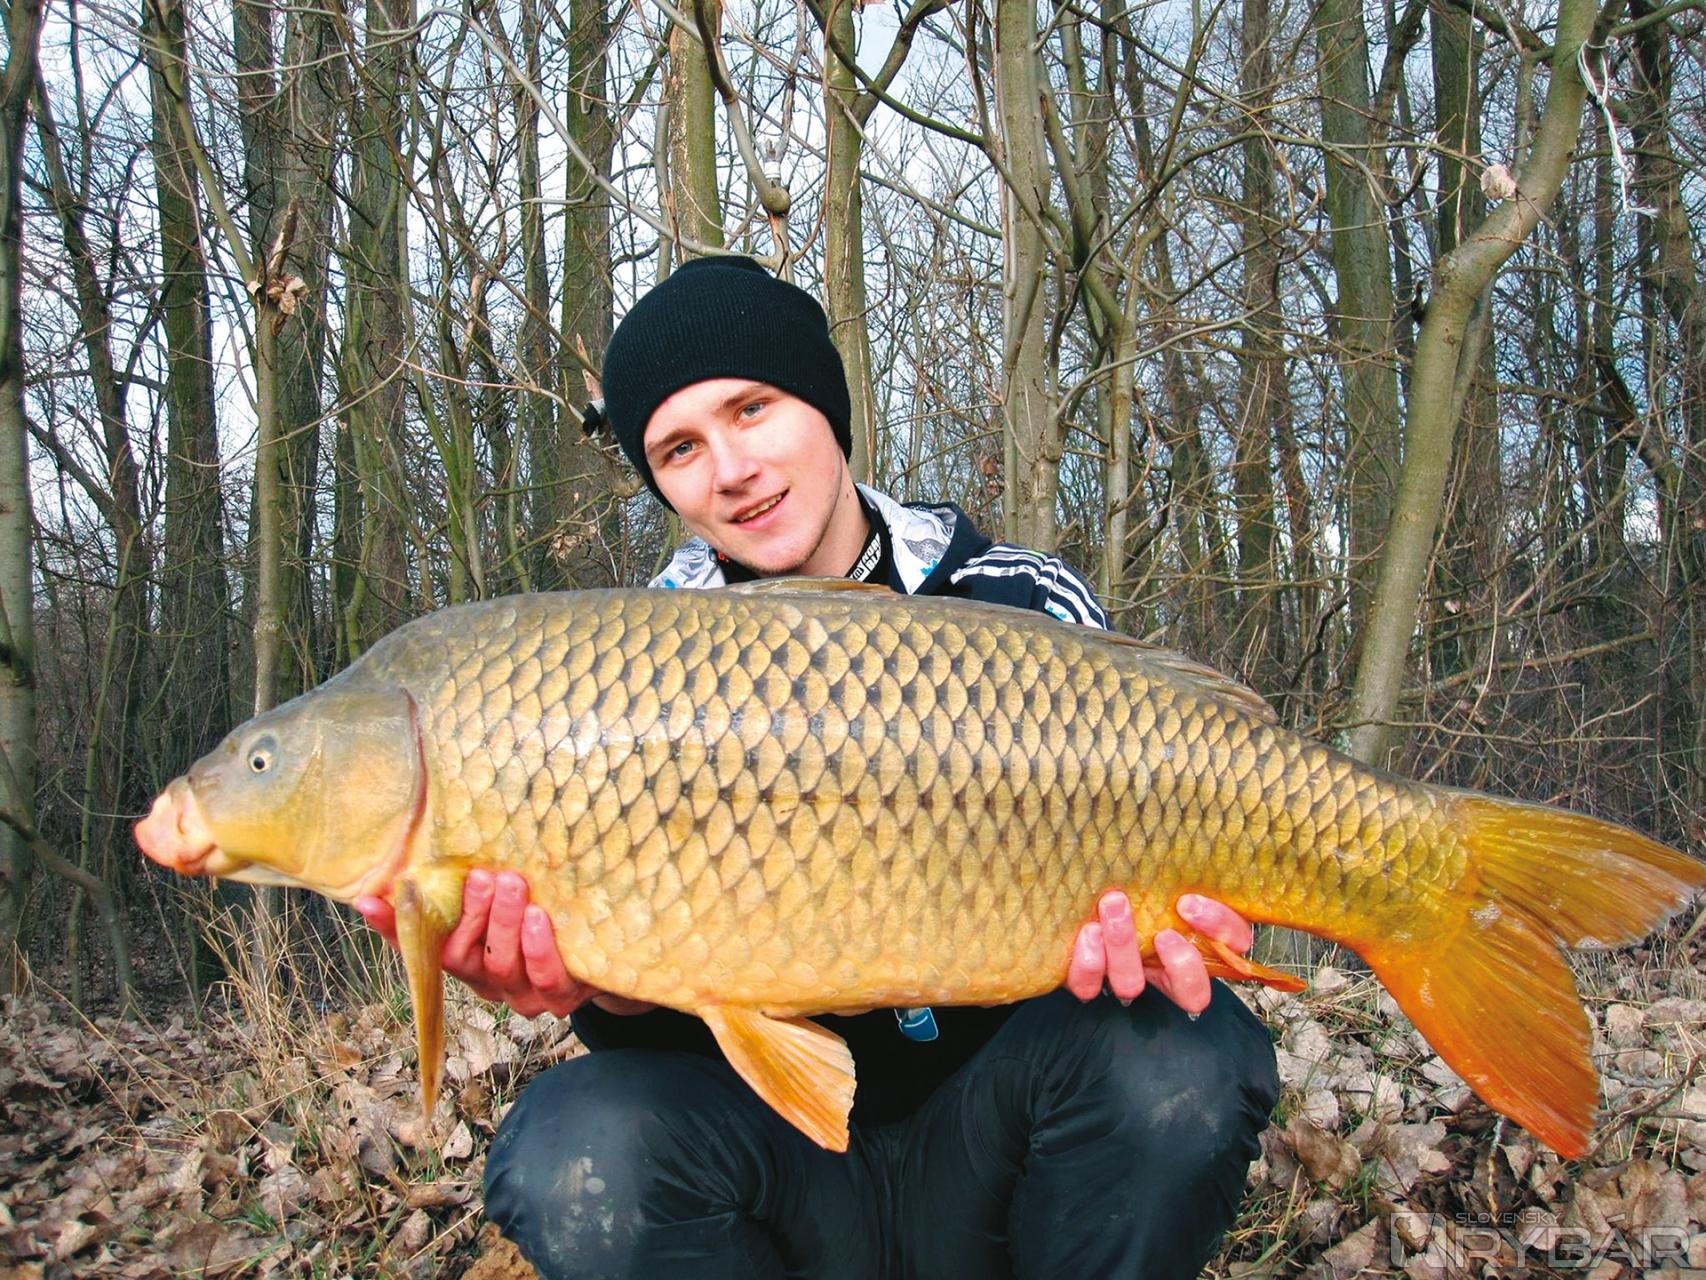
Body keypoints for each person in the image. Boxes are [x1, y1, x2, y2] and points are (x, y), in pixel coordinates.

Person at [358, 256, 1280, 1279]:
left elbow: (1162, 846)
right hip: (781, 1181)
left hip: (1004, 1150)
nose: (730, 469)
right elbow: (650, 1035)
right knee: (570, 1148)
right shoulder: (618, 678)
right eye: (679, 448)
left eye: (751, 408)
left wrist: (1166, 933)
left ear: (825, 406)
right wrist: (600, 990)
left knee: (1180, 1055)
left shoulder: (1017, 604)